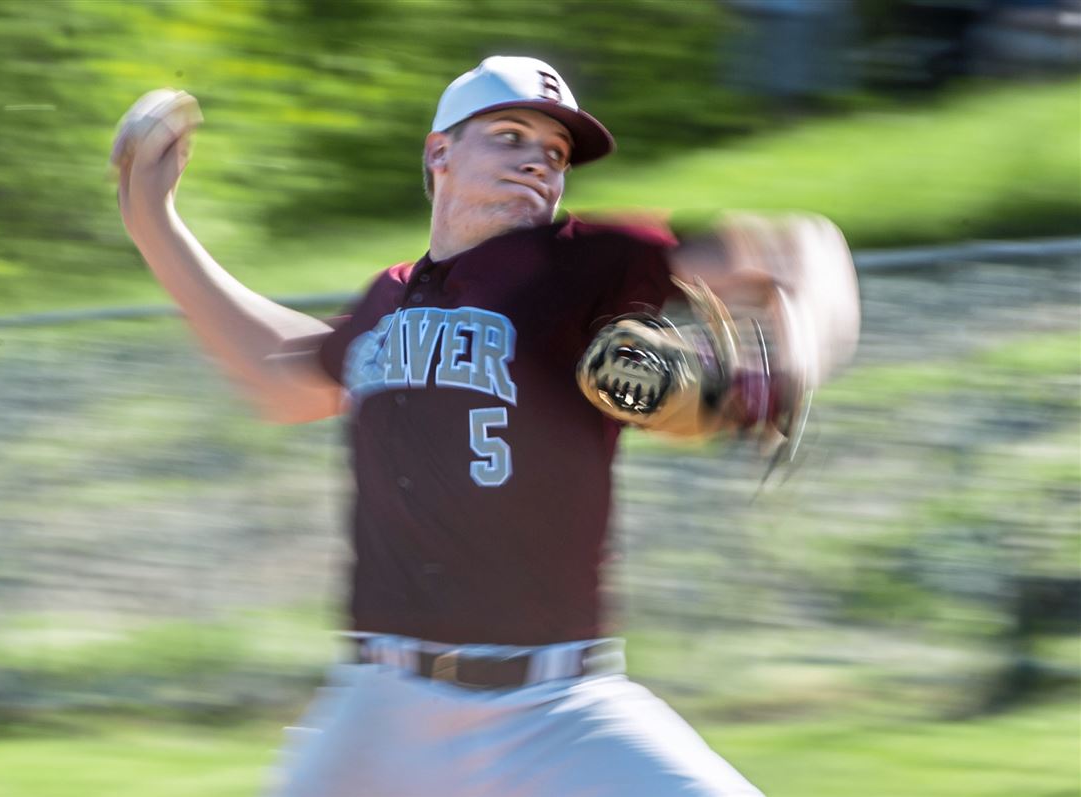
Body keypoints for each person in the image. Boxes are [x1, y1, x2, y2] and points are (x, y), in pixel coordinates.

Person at [114, 56, 858, 797]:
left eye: (557, 153)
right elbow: (282, 375)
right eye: (510, 135)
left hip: (556, 709)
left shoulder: (585, 263)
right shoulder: (389, 300)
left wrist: (786, 366)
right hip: (383, 709)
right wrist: (154, 222)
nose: (539, 161)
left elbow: (800, 252)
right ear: (440, 152)